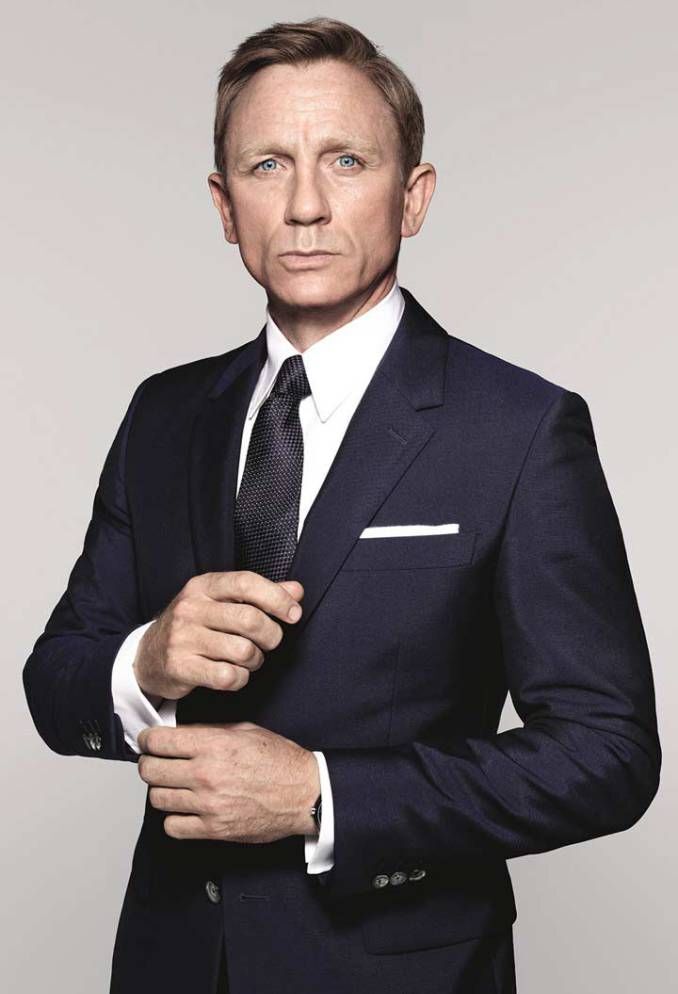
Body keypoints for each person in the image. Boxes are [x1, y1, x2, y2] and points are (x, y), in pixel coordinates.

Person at [22, 16, 661, 994]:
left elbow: (608, 752)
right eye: (268, 165)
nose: (306, 206)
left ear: (414, 197)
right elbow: (55, 681)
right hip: (172, 963)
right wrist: (143, 661)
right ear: (225, 205)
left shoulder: (520, 429)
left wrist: (324, 795)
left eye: (347, 160)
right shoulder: (162, 414)